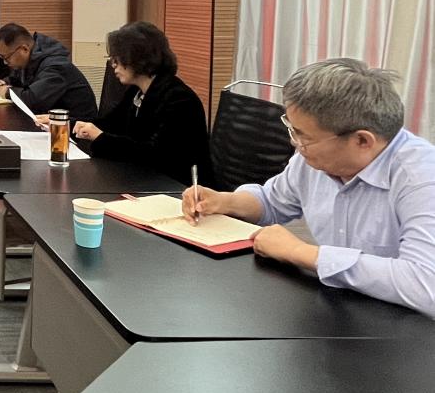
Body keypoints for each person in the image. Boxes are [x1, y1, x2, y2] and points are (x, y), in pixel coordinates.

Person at [183, 58, 435, 317]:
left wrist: (300, 252)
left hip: (408, 327)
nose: (295, 144)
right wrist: (225, 202)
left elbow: (426, 285)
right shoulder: (316, 158)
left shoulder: (422, 179)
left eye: (304, 136)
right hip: (340, 310)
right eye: (293, 130)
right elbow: (272, 201)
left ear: (362, 140)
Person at [70, 21, 211, 186]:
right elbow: (110, 123)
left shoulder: (179, 99)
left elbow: (155, 155)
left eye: (117, 59)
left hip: (178, 187)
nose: (113, 64)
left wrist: (100, 138)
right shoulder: (136, 91)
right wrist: (65, 124)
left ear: (138, 58)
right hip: (143, 178)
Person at [0, 23, 97, 122]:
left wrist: (7, 92)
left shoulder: (56, 66)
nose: (5, 62)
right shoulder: (31, 60)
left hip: (76, 129)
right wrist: (2, 83)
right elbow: (16, 80)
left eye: (6, 57)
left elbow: (33, 101)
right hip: (51, 122)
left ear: (24, 49)